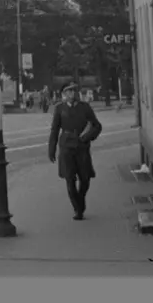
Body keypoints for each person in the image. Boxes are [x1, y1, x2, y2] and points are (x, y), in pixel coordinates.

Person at [48, 82, 103, 220]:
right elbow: (54, 130)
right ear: (63, 95)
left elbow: (97, 126)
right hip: (66, 148)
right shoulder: (60, 109)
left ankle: (81, 199)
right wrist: (51, 149)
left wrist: (87, 137)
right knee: (70, 179)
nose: (71, 94)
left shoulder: (84, 108)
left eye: (73, 91)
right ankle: (77, 209)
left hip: (82, 148)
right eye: (68, 92)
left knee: (85, 179)